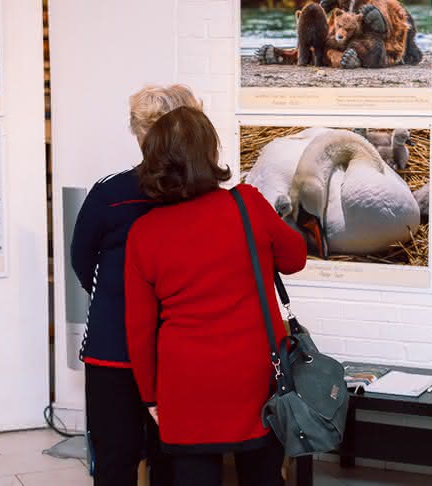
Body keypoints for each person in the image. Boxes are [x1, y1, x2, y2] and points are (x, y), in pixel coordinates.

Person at [125, 106, 307, 486]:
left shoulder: (143, 233)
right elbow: (295, 258)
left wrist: (150, 396)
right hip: (256, 374)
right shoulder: (247, 204)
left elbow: (139, 331)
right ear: (209, 153)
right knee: (262, 476)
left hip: (185, 382)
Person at [70, 84, 201, 486]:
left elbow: (81, 261)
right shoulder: (200, 195)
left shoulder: (109, 193)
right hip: (175, 348)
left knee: (114, 462)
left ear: (140, 133)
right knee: (172, 460)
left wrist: (118, 301)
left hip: (115, 349)